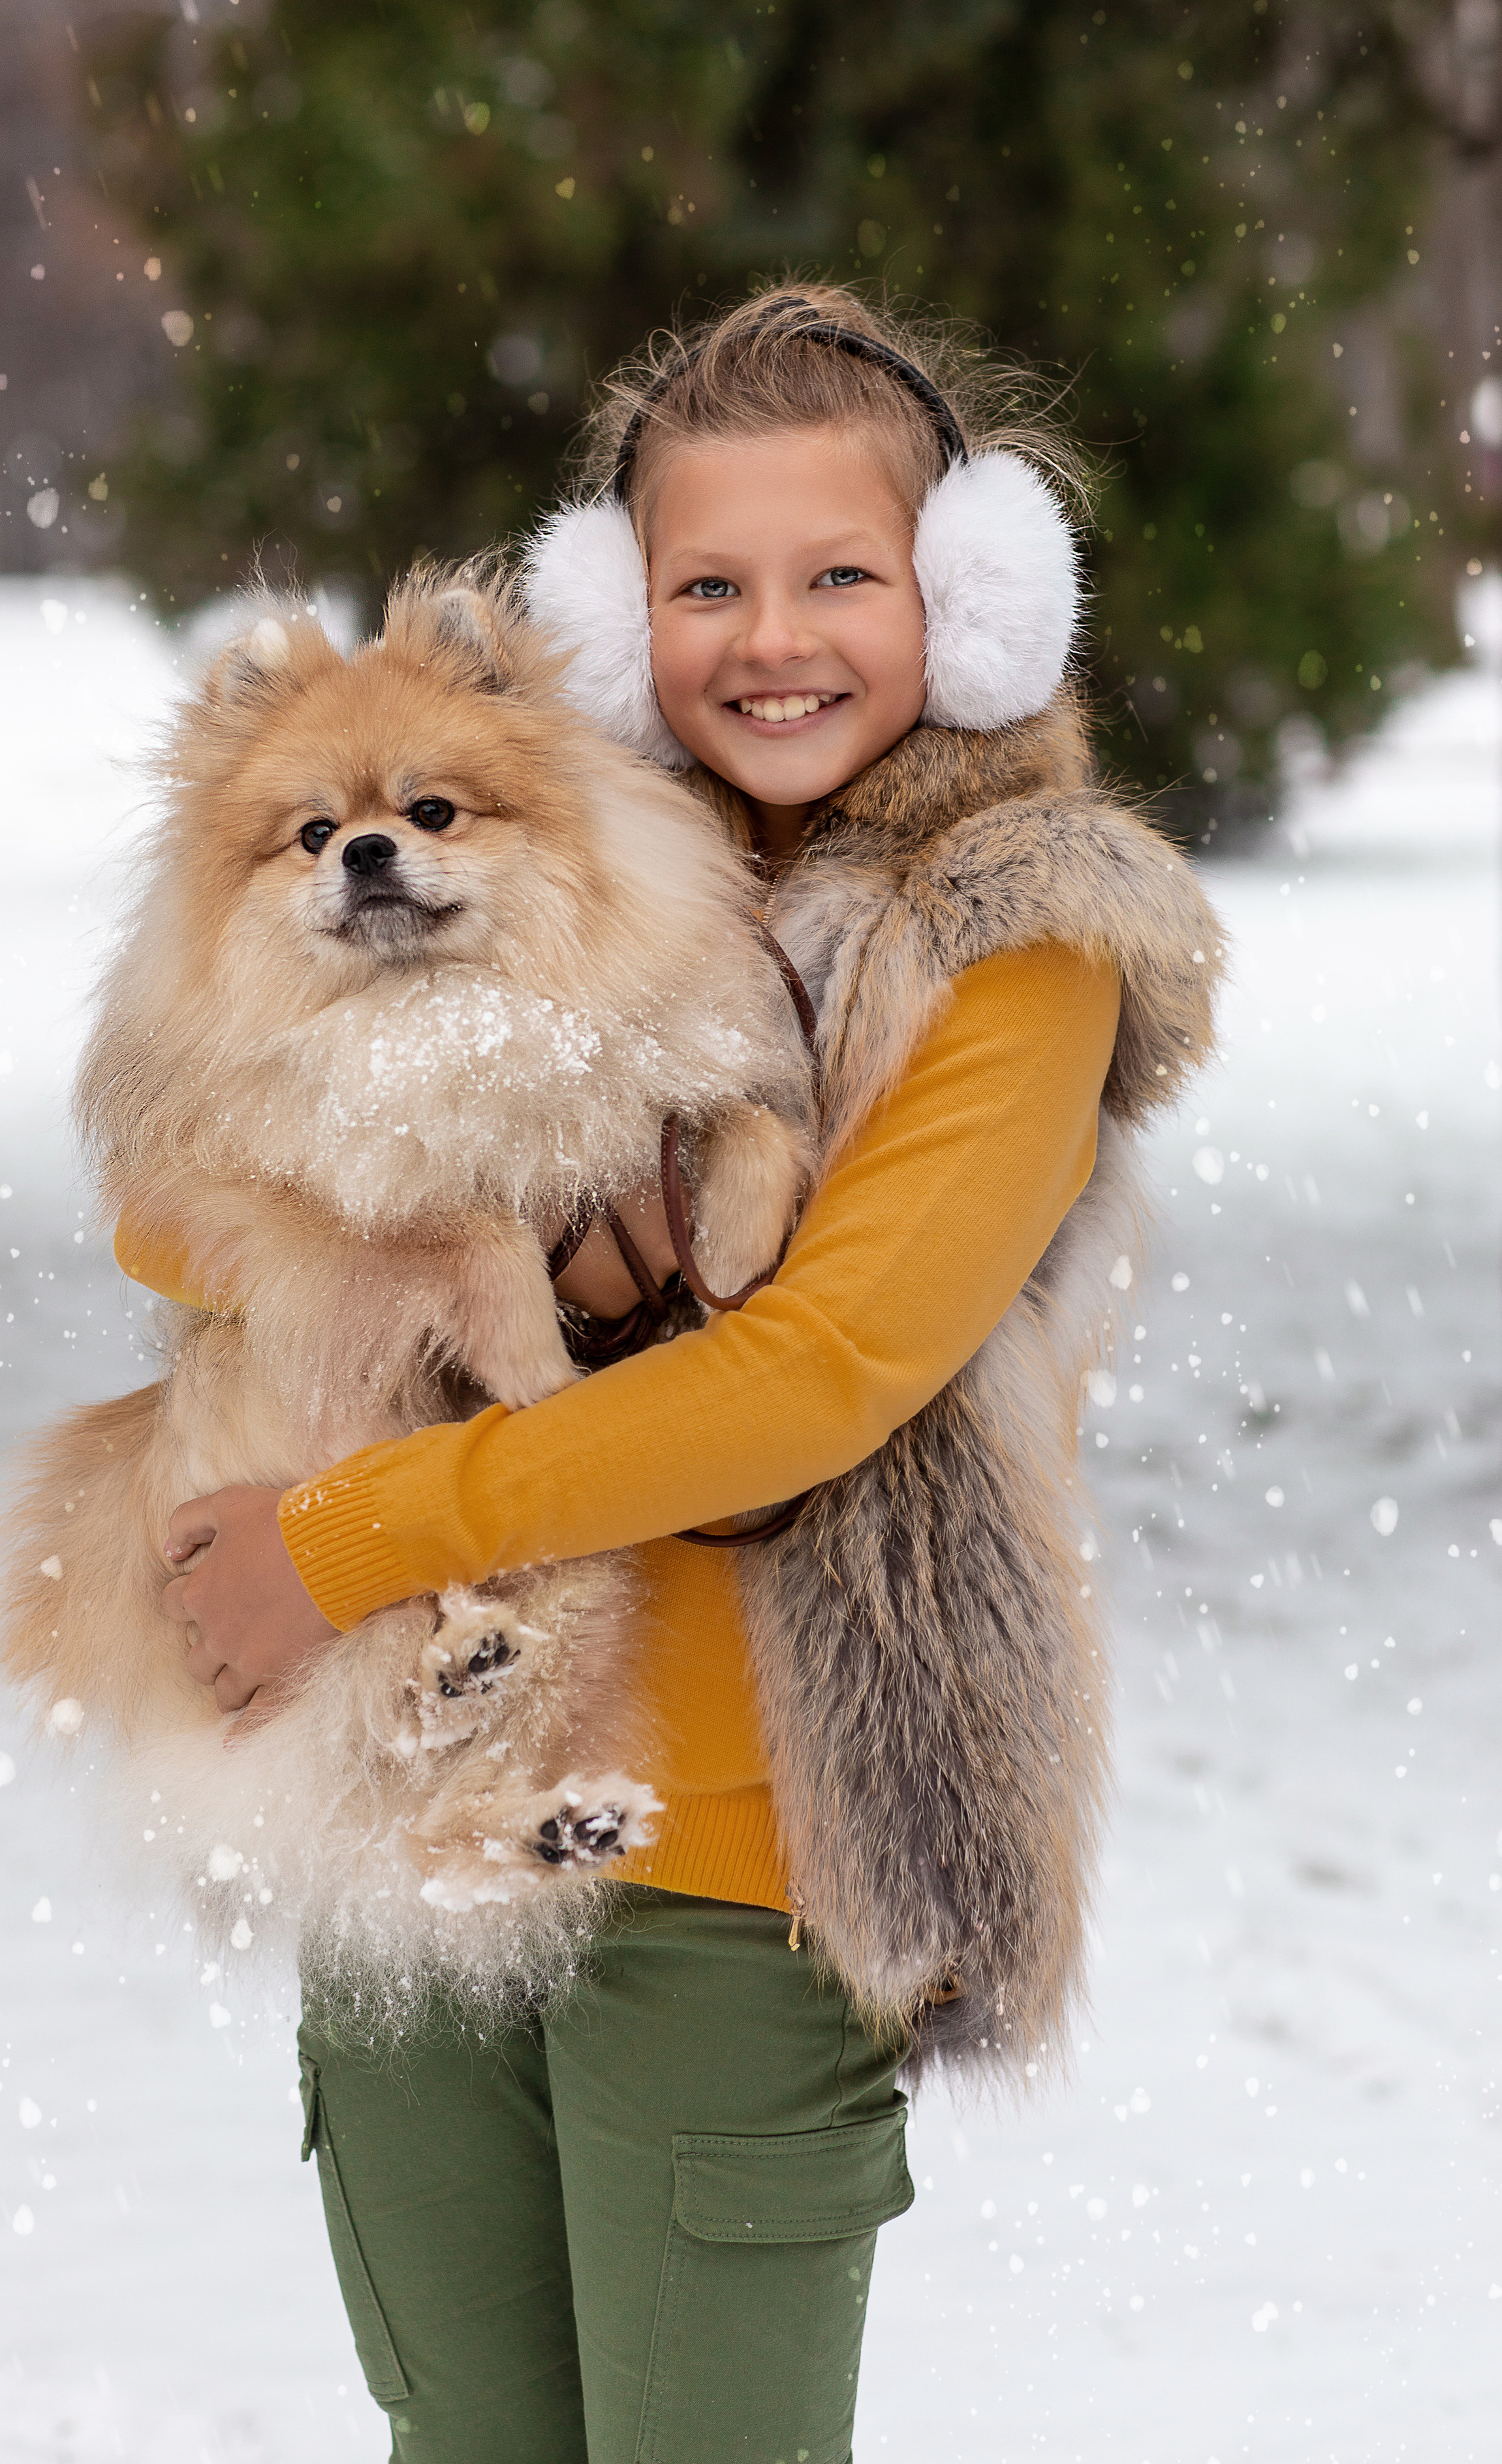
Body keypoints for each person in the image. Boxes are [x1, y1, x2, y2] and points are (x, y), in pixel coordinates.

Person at [132, 283, 1223, 2461]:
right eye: (706, 585)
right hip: (428, 1803)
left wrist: (339, 1539)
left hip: (747, 1846)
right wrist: (448, 1220)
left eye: (843, 578)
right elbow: (172, 1180)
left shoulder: (1018, 938)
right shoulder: (549, 839)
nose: (771, 640)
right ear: (622, 615)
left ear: (970, 598)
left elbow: (817, 1378)